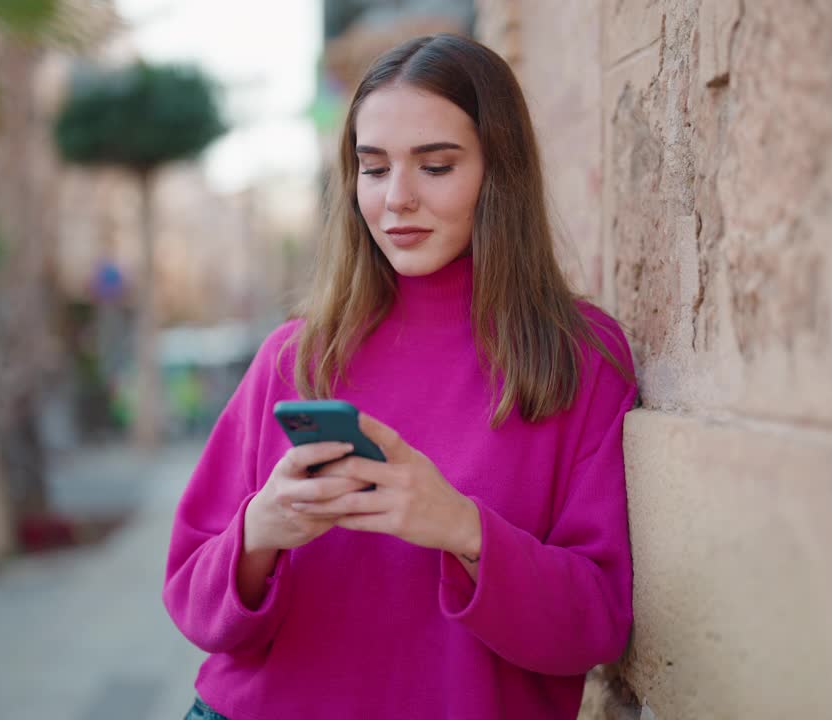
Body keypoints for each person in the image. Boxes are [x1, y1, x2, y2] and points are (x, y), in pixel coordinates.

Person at [164, 33, 638, 720]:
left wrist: (463, 529)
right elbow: (191, 600)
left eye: (436, 166)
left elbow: (596, 624)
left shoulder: (578, 357)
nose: (397, 199)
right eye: (374, 168)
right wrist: (259, 533)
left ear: (499, 171)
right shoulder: (296, 357)